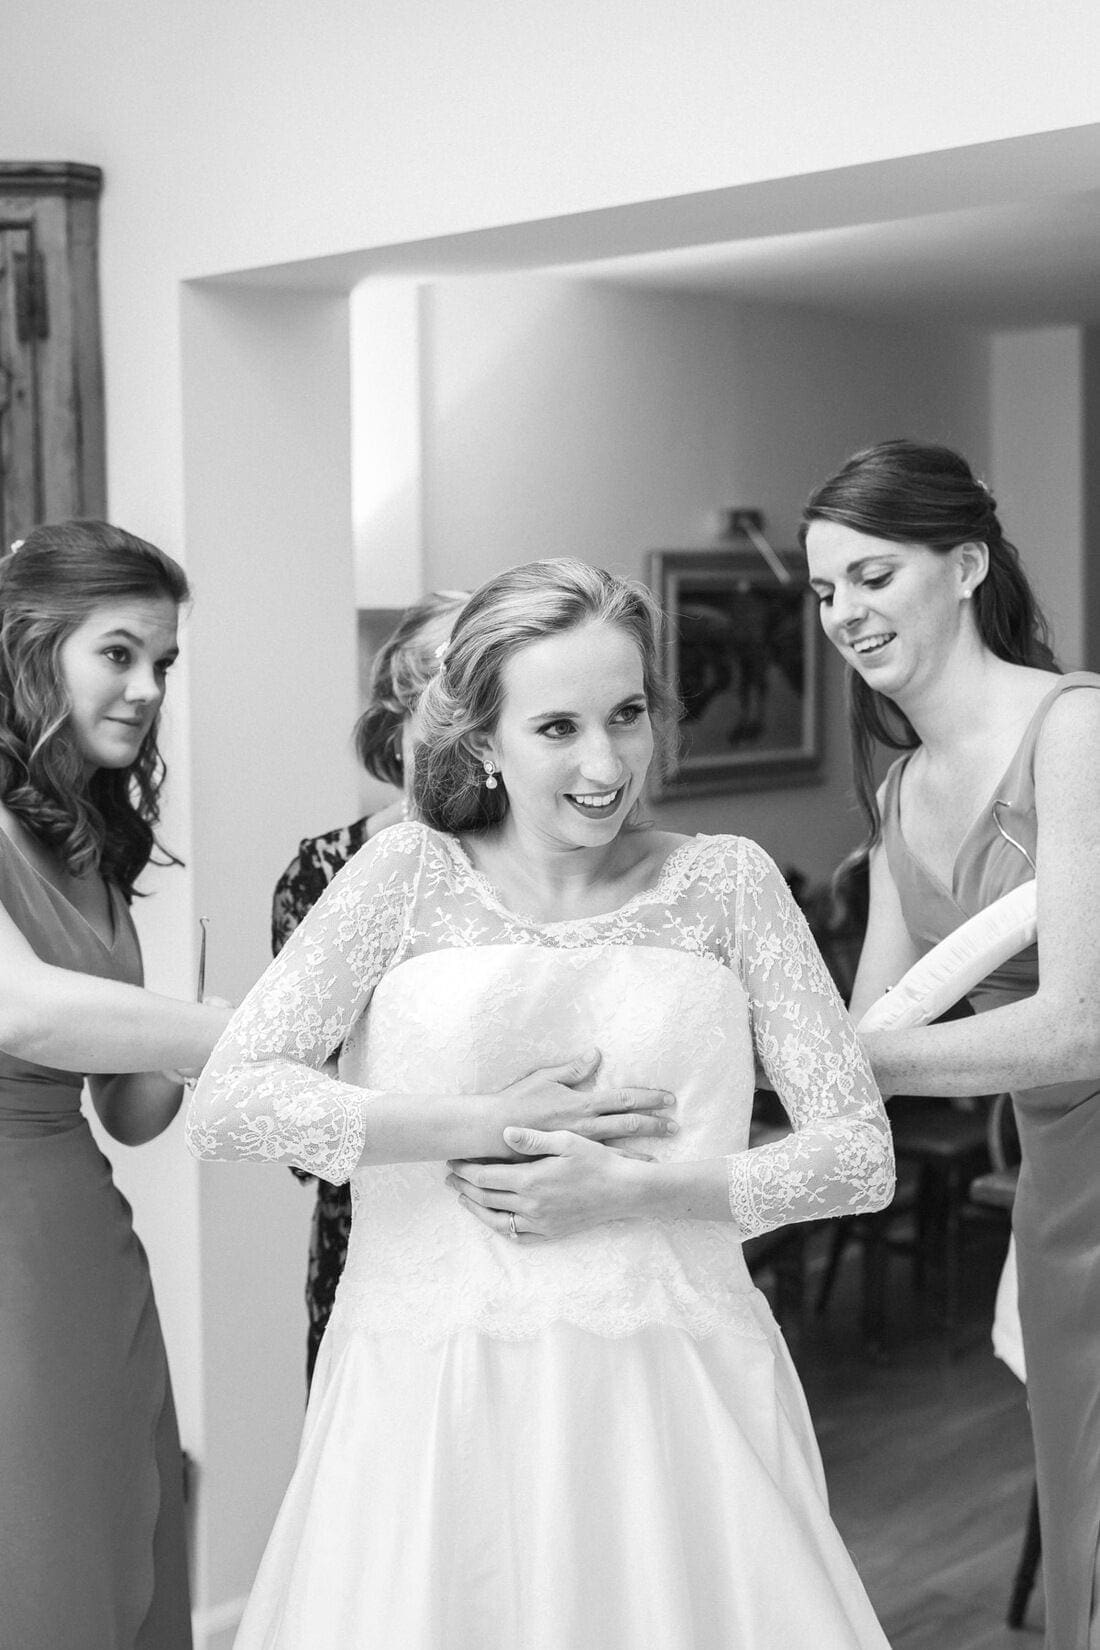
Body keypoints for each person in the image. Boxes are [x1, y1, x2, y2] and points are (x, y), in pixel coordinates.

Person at [187, 557, 894, 1650]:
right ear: (481, 739)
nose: (605, 762)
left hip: (674, 1387)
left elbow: (856, 1154)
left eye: (627, 715)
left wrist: (638, 1191)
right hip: (431, 1390)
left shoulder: (729, 884)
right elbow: (234, 1101)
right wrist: (481, 1123)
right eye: (557, 727)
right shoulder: (400, 879)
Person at [802, 440, 1100, 1650]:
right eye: (824, 592)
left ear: (965, 564)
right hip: (1057, 1194)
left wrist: (842, 1061)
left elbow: (1078, 1020)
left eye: (870, 576)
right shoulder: (898, 792)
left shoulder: (1074, 732)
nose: (843, 614)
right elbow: (866, 1028)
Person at [0, 521, 231, 1650]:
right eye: (120, 653)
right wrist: (218, 1029)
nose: (146, 689)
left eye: (163, 664)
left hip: (86, 1246)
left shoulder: (85, 843)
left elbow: (132, 1112)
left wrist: (188, 1008)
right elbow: (20, 1010)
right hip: (7, 1263)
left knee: (116, 1540)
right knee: (38, 1564)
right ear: (33, 647)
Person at [271, 590, 467, 1386]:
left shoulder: (542, 868)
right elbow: (295, 1115)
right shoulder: (321, 874)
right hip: (372, 1239)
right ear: (399, 716)